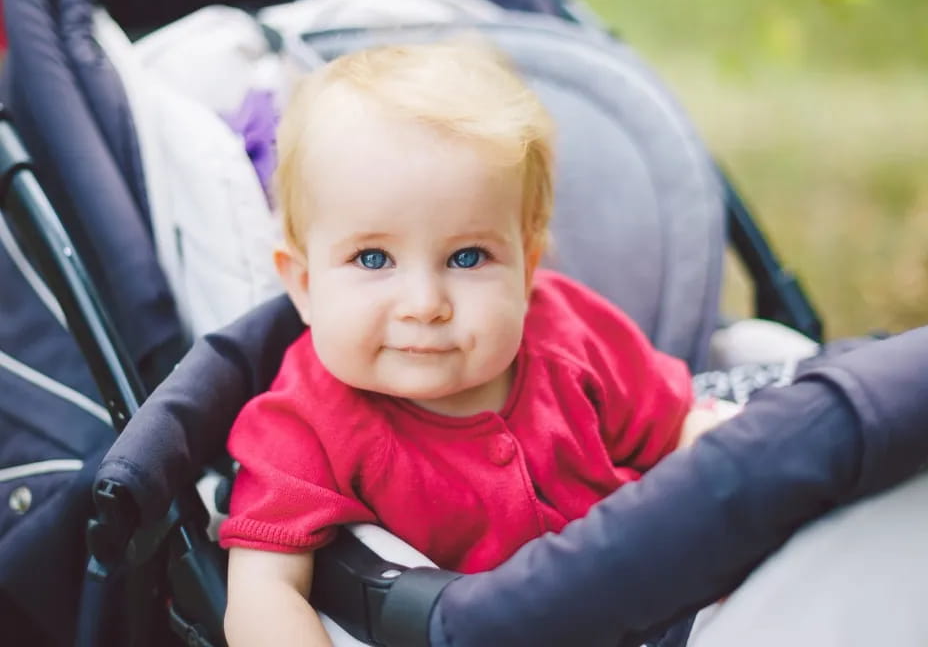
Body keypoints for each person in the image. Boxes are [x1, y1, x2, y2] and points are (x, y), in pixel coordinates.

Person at [218, 41, 736, 645]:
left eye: (467, 257)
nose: (424, 303)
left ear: (526, 269)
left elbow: (681, 429)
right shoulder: (304, 424)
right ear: (304, 285)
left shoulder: (573, 336)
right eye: (373, 258)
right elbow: (264, 592)